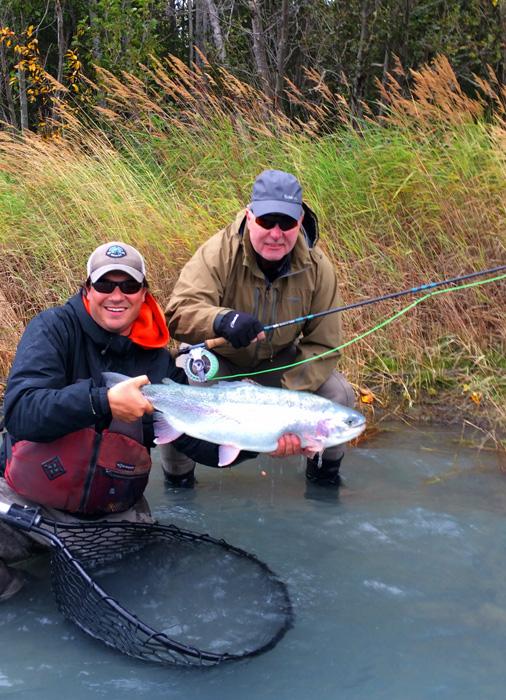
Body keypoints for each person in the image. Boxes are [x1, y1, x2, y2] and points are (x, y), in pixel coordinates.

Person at [0, 241, 299, 601]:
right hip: (23, 503)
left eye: (128, 286)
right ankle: (21, 597)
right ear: (87, 291)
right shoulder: (53, 329)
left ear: (143, 294)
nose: (116, 295)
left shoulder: (156, 362)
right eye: (105, 285)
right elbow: (20, 412)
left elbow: (194, 442)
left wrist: (263, 440)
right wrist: (101, 402)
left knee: (140, 593)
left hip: (109, 517)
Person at [163, 169, 356, 489]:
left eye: (287, 223)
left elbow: (324, 344)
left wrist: (287, 404)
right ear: (251, 217)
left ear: (300, 222)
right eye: (267, 222)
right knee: (179, 384)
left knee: (340, 394)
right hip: (222, 361)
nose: (276, 233)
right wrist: (221, 320)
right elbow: (179, 312)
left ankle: (323, 479)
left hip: (280, 366)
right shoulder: (218, 252)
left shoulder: (318, 268)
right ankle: (178, 480)